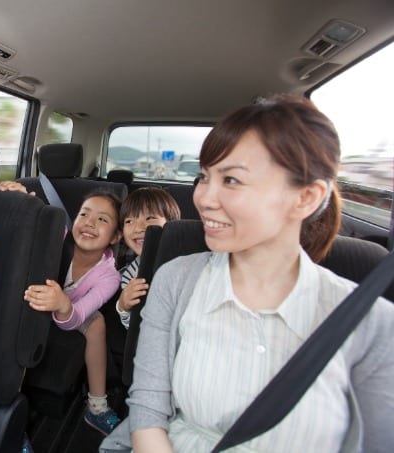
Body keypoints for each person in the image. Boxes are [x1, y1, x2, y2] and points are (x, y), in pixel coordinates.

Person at [101, 94, 394, 452]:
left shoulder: (374, 323)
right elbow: (147, 411)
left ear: (305, 197)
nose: (204, 198)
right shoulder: (176, 279)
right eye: (204, 177)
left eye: (232, 181)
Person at [25, 189, 123, 435]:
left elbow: (75, 318)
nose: (90, 223)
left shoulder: (109, 277)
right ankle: (7, 417)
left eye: (102, 219)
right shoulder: (58, 235)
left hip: (71, 310)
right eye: (84, 214)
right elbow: (32, 217)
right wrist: (21, 196)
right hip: (33, 301)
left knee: (97, 323)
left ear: (115, 236)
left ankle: (97, 406)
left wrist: (62, 305)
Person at [115, 187, 181, 329]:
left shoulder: (186, 260)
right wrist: (123, 306)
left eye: (150, 218)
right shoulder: (131, 275)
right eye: (129, 221)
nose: (138, 228)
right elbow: (134, 329)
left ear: (172, 223)